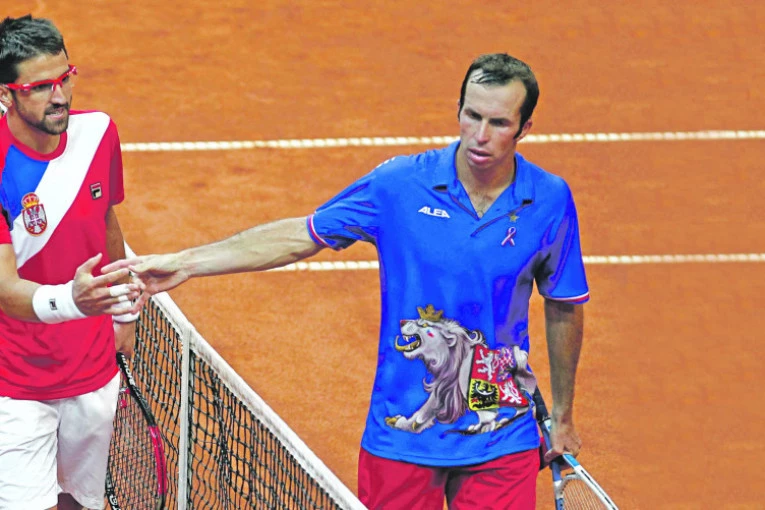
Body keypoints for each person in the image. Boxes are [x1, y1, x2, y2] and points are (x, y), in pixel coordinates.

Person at [107, 53, 589, 509]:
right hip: (402, 433)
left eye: (498, 123)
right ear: (458, 110)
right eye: (471, 116)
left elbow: (564, 304)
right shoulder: (400, 185)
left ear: (524, 128)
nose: (479, 135)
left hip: (499, 427)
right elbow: (300, 235)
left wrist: (562, 415)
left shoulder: (549, 199)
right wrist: (188, 262)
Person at [0, 15, 142, 510]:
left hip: (92, 370)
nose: (59, 95)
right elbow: (5, 289)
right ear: (6, 95)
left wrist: (125, 310)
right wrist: (73, 300)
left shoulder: (99, 133)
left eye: (65, 78)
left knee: (80, 503)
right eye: (40, 87)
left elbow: (105, 221)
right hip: (14, 382)